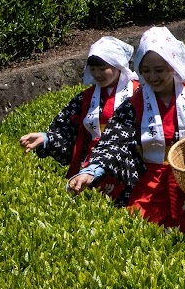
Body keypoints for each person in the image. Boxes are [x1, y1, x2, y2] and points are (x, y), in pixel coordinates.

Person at [68, 26, 185, 234]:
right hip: (150, 182)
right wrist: (92, 171)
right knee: (138, 234)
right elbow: (114, 140)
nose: (153, 77)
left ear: (173, 67)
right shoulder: (136, 103)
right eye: (146, 71)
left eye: (159, 70)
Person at [20, 36, 138, 198]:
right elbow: (67, 132)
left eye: (102, 68)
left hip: (128, 166)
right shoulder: (85, 99)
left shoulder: (139, 94)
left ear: (118, 65)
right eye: (93, 69)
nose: (97, 74)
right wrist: (46, 139)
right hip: (90, 166)